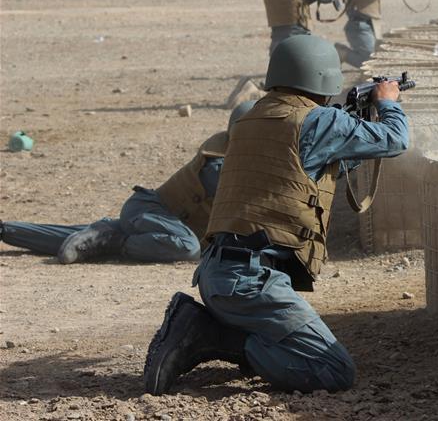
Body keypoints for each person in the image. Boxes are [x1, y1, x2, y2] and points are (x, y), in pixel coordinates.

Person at [143, 34, 409, 396]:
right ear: (323, 78)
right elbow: (395, 138)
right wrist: (388, 102)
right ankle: (209, 335)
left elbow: (304, 173)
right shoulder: (317, 122)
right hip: (250, 282)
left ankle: (210, 327)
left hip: (220, 273)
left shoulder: (254, 117)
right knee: (333, 370)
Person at [0, 102, 256, 264]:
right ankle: (111, 241)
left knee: (68, 238)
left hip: (161, 228)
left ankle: (6, 230)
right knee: (188, 249)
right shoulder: (218, 164)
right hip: (150, 212)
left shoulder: (240, 158)